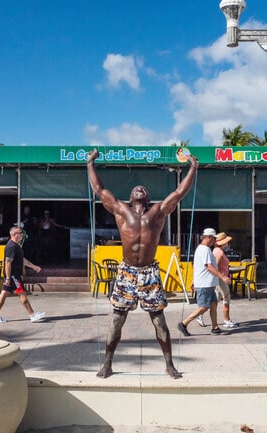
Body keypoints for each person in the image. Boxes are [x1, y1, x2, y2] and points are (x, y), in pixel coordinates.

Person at [87, 147, 198, 379]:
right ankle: (107, 364)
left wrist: (193, 168)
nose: (139, 188)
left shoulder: (157, 212)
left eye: (143, 189)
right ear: (130, 197)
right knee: (117, 320)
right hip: (126, 271)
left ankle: (169, 364)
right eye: (136, 188)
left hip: (149, 273)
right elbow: (98, 189)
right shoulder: (120, 209)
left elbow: (178, 192)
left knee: (159, 320)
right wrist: (90, 163)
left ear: (147, 198)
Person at [178, 228, 230, 337]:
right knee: (204, 307)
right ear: (209, 237)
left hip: (208, 284)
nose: (214, 241)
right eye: (213, 239)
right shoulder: (205, 250)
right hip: (205, 284)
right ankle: (184, 323)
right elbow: (209, 266)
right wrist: (222, 277)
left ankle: (215, 328)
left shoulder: (203, 249)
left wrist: (194, 280)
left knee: (213, 304)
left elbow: (198, 267)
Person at [0, 225, 45, 323]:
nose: (22, 235)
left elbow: (22, 260)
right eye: (20, 233)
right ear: (15, 234)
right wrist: (8, 278)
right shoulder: (11, 246)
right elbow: (7, 263)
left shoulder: (16, 246)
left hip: (13, 276)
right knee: (21, 293)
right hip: (13, 276)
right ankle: (32, 315)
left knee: (4, 293)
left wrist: (33, 266)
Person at [196, 231, 238, 328]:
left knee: (215, 300)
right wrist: (222, 276)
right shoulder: (219, 252)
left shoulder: (215, 251)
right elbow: (216, 265)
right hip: (221, 278)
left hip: (219, 278)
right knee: (226, 297)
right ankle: (226, 319)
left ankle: (201, 315)